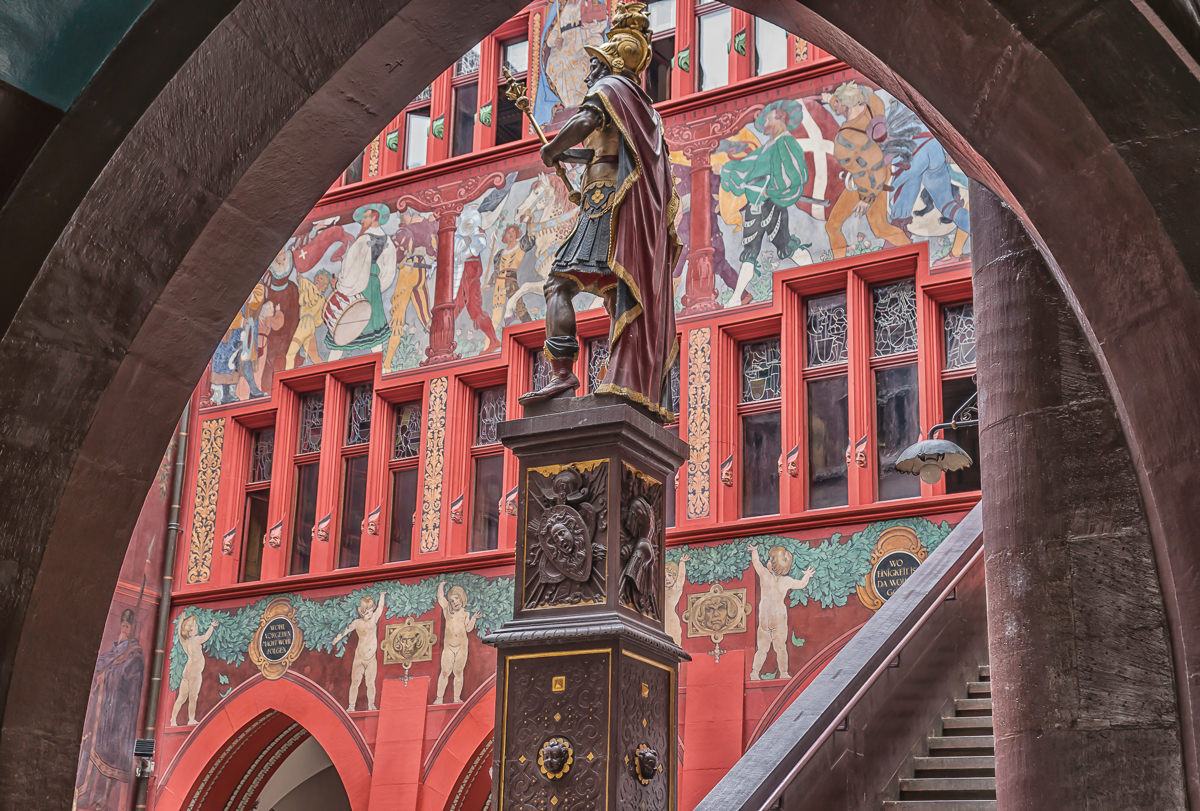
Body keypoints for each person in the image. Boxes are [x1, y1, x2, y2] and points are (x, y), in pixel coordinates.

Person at [518, 2, 682, 423]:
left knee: (559, 283)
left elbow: (585, 119)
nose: (589, 72)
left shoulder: (608, 90)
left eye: (594, 64)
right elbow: (604, 152)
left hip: (605, 209)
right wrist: (569, 158)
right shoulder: (644, 112)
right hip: (621, 209)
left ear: (608, 64)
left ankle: (562, 374)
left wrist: (553, 148)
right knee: (617, 297)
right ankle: (623, 376)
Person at [821, 81, 911, 258]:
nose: (835, 106)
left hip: (868, 183)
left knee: (832, 226)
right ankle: (911, 250)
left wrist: (867, 198)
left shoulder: (845, 139)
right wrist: (832, 99)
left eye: (838, 103)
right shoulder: (872, 106)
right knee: (880, 228)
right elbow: (866, 93)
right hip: (883, 176)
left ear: (846, 104)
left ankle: (840, 267)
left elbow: (871, 166)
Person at [75, 609, 145, 811]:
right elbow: (100, 665)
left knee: (111, 757)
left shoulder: (135, 655)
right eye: (123, 625)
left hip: (120, 715)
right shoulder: (117, 650)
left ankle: (104, 798)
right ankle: (86, 794)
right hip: (104, 710)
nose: (124, 629)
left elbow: (126, 676)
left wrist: (106, 677)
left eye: (128, 626)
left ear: (133, 629)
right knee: (93, 750)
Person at [325, 204, 396, 359]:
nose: (362, 222)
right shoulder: (388, 242)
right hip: (374, 287)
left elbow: (351, 269)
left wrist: (339, 286)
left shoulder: (362, 241)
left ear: (373, 218)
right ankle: (381, 366)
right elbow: (389, 272)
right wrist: (376, 285)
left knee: (345, 323)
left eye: (365, 218)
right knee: (374, 328)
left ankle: (329, 365)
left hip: (358, 286)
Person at [747, 543, 815, 680]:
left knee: (762, 649)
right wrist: (807, 575)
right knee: (780, 648)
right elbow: (801, 584)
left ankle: (755, 671)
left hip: (765, 619)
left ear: (773, 565)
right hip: (779, 620)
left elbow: (756, 563)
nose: (767, 562)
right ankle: (783, 673)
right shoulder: (786, 581)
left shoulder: (765, 575)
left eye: (770, 560)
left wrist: (754, 550)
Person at [332, 593, 386, 712]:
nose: (370, 614)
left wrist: (382, 595)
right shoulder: (357, 623)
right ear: (361, 614)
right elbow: (346, 630)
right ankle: (351, 706)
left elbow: (381, 607)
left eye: (371, 611)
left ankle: (371, 705)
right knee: (355, 683)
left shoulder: (374, 620)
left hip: (371, 658)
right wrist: (336, 639)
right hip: (359, 658)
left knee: (370, 683)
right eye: (366, 613)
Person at [435, 583, 481, 705]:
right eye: (451, 600)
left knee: (459, 672)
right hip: (449, 646)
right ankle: (439, 698)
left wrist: (474, 618)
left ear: (462, 598)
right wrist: (441, 585)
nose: (454, 602)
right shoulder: (447, 611)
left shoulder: (465, 613)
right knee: (444, 672)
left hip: (461, 646)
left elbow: (468, 629)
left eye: (456, 598)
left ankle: (456, 698)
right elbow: (440, 598)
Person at [170, 615, 218, 726]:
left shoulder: (184, 641)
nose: (197, 627)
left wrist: (181, 620)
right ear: (190, 631)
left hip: (187, 673)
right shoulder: (196, 640)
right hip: (195, 674)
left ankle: (173, 719)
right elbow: (206, 636)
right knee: (193, 697)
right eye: (195, 625)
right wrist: (212, 626)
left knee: (181, 698)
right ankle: (191, 719)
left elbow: (178, 632)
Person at [285, 270, 332, 369]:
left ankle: (288, 374)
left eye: (321, 278)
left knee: (290, 354)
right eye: (317, 278)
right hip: (311, 329)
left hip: (304, 325)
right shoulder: (320, 298)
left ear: (325, 283)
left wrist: (301, 280)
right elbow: (318, 320)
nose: (317, 279)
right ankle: (325, 370)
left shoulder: (313, 292)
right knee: (314, 356)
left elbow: (307, 292)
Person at [664, 554, 689, 646]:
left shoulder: (676, 590)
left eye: (670, 575)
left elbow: (681, 577)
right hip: (662, 623)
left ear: (675, 575)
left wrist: (682, 562)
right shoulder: (661, 591)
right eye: (664, 577)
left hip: (672, 623)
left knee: (674, 647)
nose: (667, 579)